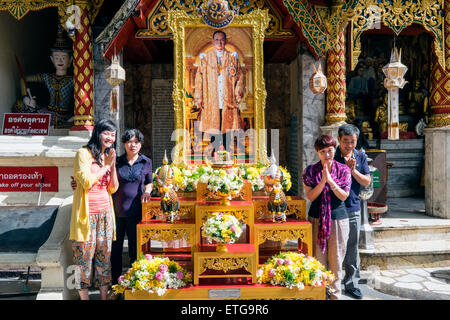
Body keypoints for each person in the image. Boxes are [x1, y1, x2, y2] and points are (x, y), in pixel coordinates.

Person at [69, 119, 119, 300]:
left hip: (105, 214)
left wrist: (111, 166)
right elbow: (86, 181)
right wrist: (105, 166)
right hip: (86, 215)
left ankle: (104, 298)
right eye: (107, 133)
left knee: (104, 259)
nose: (110, 138)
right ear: (98, 133)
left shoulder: (107, 156)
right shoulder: (83, 154)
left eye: (113, 135)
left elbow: (113, 188)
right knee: (83, 259)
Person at [302, 135, 351, 300]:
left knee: (336, 260)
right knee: (317, 259)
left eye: (330, 150)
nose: (327, 155)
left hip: (338, 219)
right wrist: (323, 181)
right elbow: (310, 197)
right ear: (318, 153)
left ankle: (336, 295)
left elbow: (344, 196)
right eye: (323, 152)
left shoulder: (343, 170)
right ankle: (318, 294)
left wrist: (331, 182)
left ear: (335, 149)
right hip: (316, 219)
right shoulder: (310, 171)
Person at [111, 129, 153, 288]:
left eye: (136, 142)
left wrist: (148, 191)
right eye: (129, 141)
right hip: (117, 211)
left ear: (141, 144)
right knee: (116, 250)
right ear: (124, 144)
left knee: (135, 250)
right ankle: (115, 285)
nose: (132, 145)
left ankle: (134, 283)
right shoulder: (117, 161)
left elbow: (149, 181)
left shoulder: (146, 161)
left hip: (136, 212)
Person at [335, 124, 371, 299]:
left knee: (352, 248)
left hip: (353, 207)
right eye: (345, 141)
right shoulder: (331, 155)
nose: (349, 145)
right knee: (333, 247)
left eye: (352, 141)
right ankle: (331, 283)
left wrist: (353, 170)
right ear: (339, 140)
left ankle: (351, 284)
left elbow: (366, 182)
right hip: (334, 208)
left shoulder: (360, 156)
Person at [194, 30, 245, 149]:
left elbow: (240, 75)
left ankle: (226, 153)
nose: (219, 42)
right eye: (217, 40)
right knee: (214, 127)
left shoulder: (232, 57)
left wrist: (238, 91)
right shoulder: (205, 58)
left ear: (226, 41)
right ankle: (216, 152)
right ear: (212, 41)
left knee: (227, 127)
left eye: (222, 39)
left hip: (228, 100)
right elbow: (199, 78)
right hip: (211, 99)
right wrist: (199, 97)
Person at [16, 24, 74, 128]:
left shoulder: (72, 80)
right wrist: (26, 98)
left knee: (72, 120)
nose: (60, 61)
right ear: (52, 59)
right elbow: (23, 79)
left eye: (64, 58)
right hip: (47, 112)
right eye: (57, 57)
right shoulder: (47, 77)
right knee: (20, 105)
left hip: (64, 115)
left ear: (70, 60)